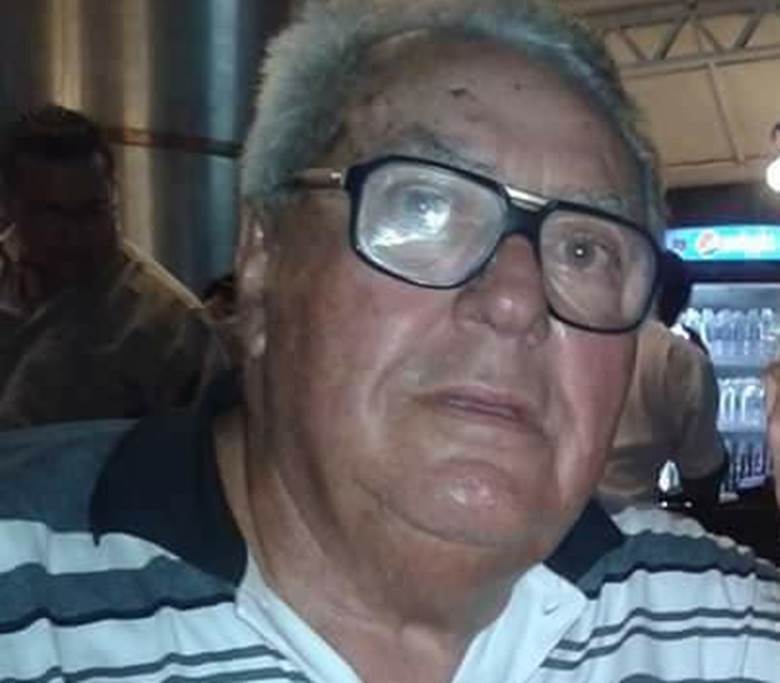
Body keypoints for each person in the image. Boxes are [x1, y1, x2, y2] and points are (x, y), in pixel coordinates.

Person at [0, 1, 777, 681]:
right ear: (263, 260)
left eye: (584, 249)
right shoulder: (28, 599)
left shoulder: (719, 628)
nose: (517, 298)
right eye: (424, 207)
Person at [0, 104, 227, 426]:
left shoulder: (171, 328)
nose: (75, 233)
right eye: (53, 214)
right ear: (10, 207)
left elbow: (213, 443)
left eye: (93, 211)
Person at [600, 250, 727, 507]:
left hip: (552, 517)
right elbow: (702, 474)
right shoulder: (680, 358)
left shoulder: (573, 338)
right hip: (633, 517)